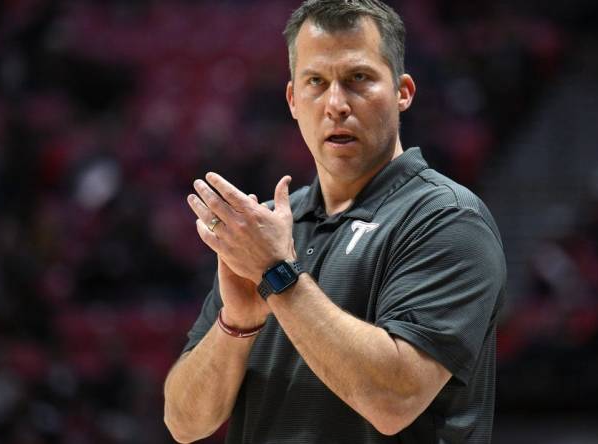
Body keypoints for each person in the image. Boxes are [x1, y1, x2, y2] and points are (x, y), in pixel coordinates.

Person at [163, 0, 506, 442]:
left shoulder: (448, 220)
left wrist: (277, 276)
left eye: (358, 79)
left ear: (403, 92)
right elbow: (184, 422)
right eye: (316, 82)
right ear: (292, 99)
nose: (336, 104)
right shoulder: (268, 230)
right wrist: (237, 321)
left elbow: (394, 399)